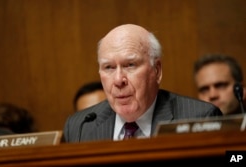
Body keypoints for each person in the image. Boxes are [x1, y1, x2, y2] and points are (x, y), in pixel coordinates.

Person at [63, 24, 222, 143]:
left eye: (130, 65)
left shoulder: (200, 118)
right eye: (109, 67)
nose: (118, 80)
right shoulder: (79, 127)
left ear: (157, 71)